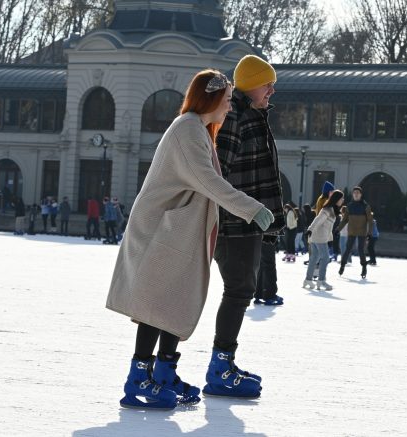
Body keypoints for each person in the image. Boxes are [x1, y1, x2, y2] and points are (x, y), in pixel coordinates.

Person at [106, 69, 272, 410]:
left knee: (175, 301)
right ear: (211, 100)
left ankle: (164, 371)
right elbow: (209, 181)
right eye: (227, 100)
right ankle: (138, 377)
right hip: (161, 229)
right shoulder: (188, 129)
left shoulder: (200, 129)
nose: (229, 107)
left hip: (178, 230)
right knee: (156, 303)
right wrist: (252, 209)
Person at [209, 55, 285, 398]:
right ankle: (220, 366)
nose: (272, 90)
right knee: (239, 290)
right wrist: (241, 213)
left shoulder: (251, 115)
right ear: (251, 84)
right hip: (234, 224)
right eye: (267, 84)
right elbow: (217, 175)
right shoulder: (235, 117)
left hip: (248, 222)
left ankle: (223, 362)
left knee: (242, 290)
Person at [304, 190, 343, 291]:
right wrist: (310, 229)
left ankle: (308, 279)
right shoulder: (327, 209)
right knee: (325, 258)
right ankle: (321, 281)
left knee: (314, 258)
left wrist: (330, 239)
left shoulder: (332, 209)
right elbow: (318, 219)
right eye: (341, 198)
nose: (342, 200)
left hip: (317, 236)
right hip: (319, 237)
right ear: (336, 199)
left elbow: (327, 227)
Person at [338, 186, 373, 279]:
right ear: (353, 195)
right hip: (352, 231)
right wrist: (338, 229)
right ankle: (342, 266)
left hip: (362, 231)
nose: (356, 194)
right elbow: (344, 220)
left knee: (360, 249)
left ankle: (364, 268)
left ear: (361, 194)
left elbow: (370, 221)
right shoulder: (349, 206)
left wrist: (369, 233)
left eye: (358, 193)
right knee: (348, 249)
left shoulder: (366, 206)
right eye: (354, 193)